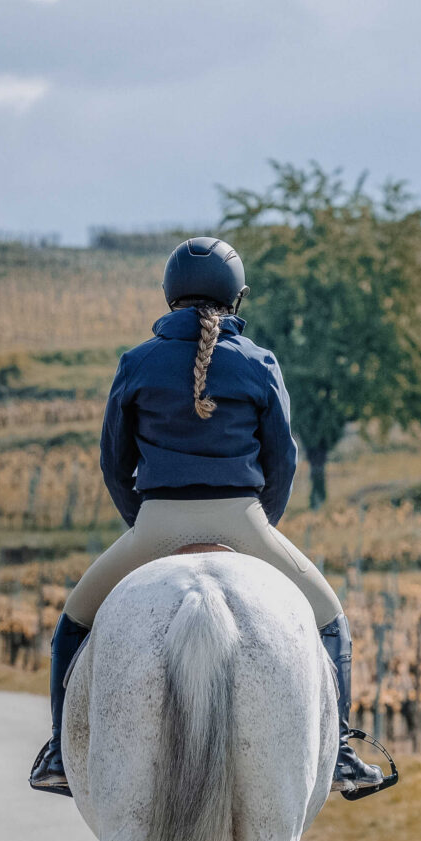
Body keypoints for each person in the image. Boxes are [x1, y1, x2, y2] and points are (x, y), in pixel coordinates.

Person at [29, 235, 391, 802]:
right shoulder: (259, 362)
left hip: (155, 526)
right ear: (237, 297)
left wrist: (142, 523)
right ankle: (342, 750)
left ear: (169, 294)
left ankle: (56, 750)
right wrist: (257, 530)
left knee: (73, 622)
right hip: (243, 523)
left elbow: (113, 459)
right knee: (330, 617)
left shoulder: (137, 363)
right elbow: (283, 461)